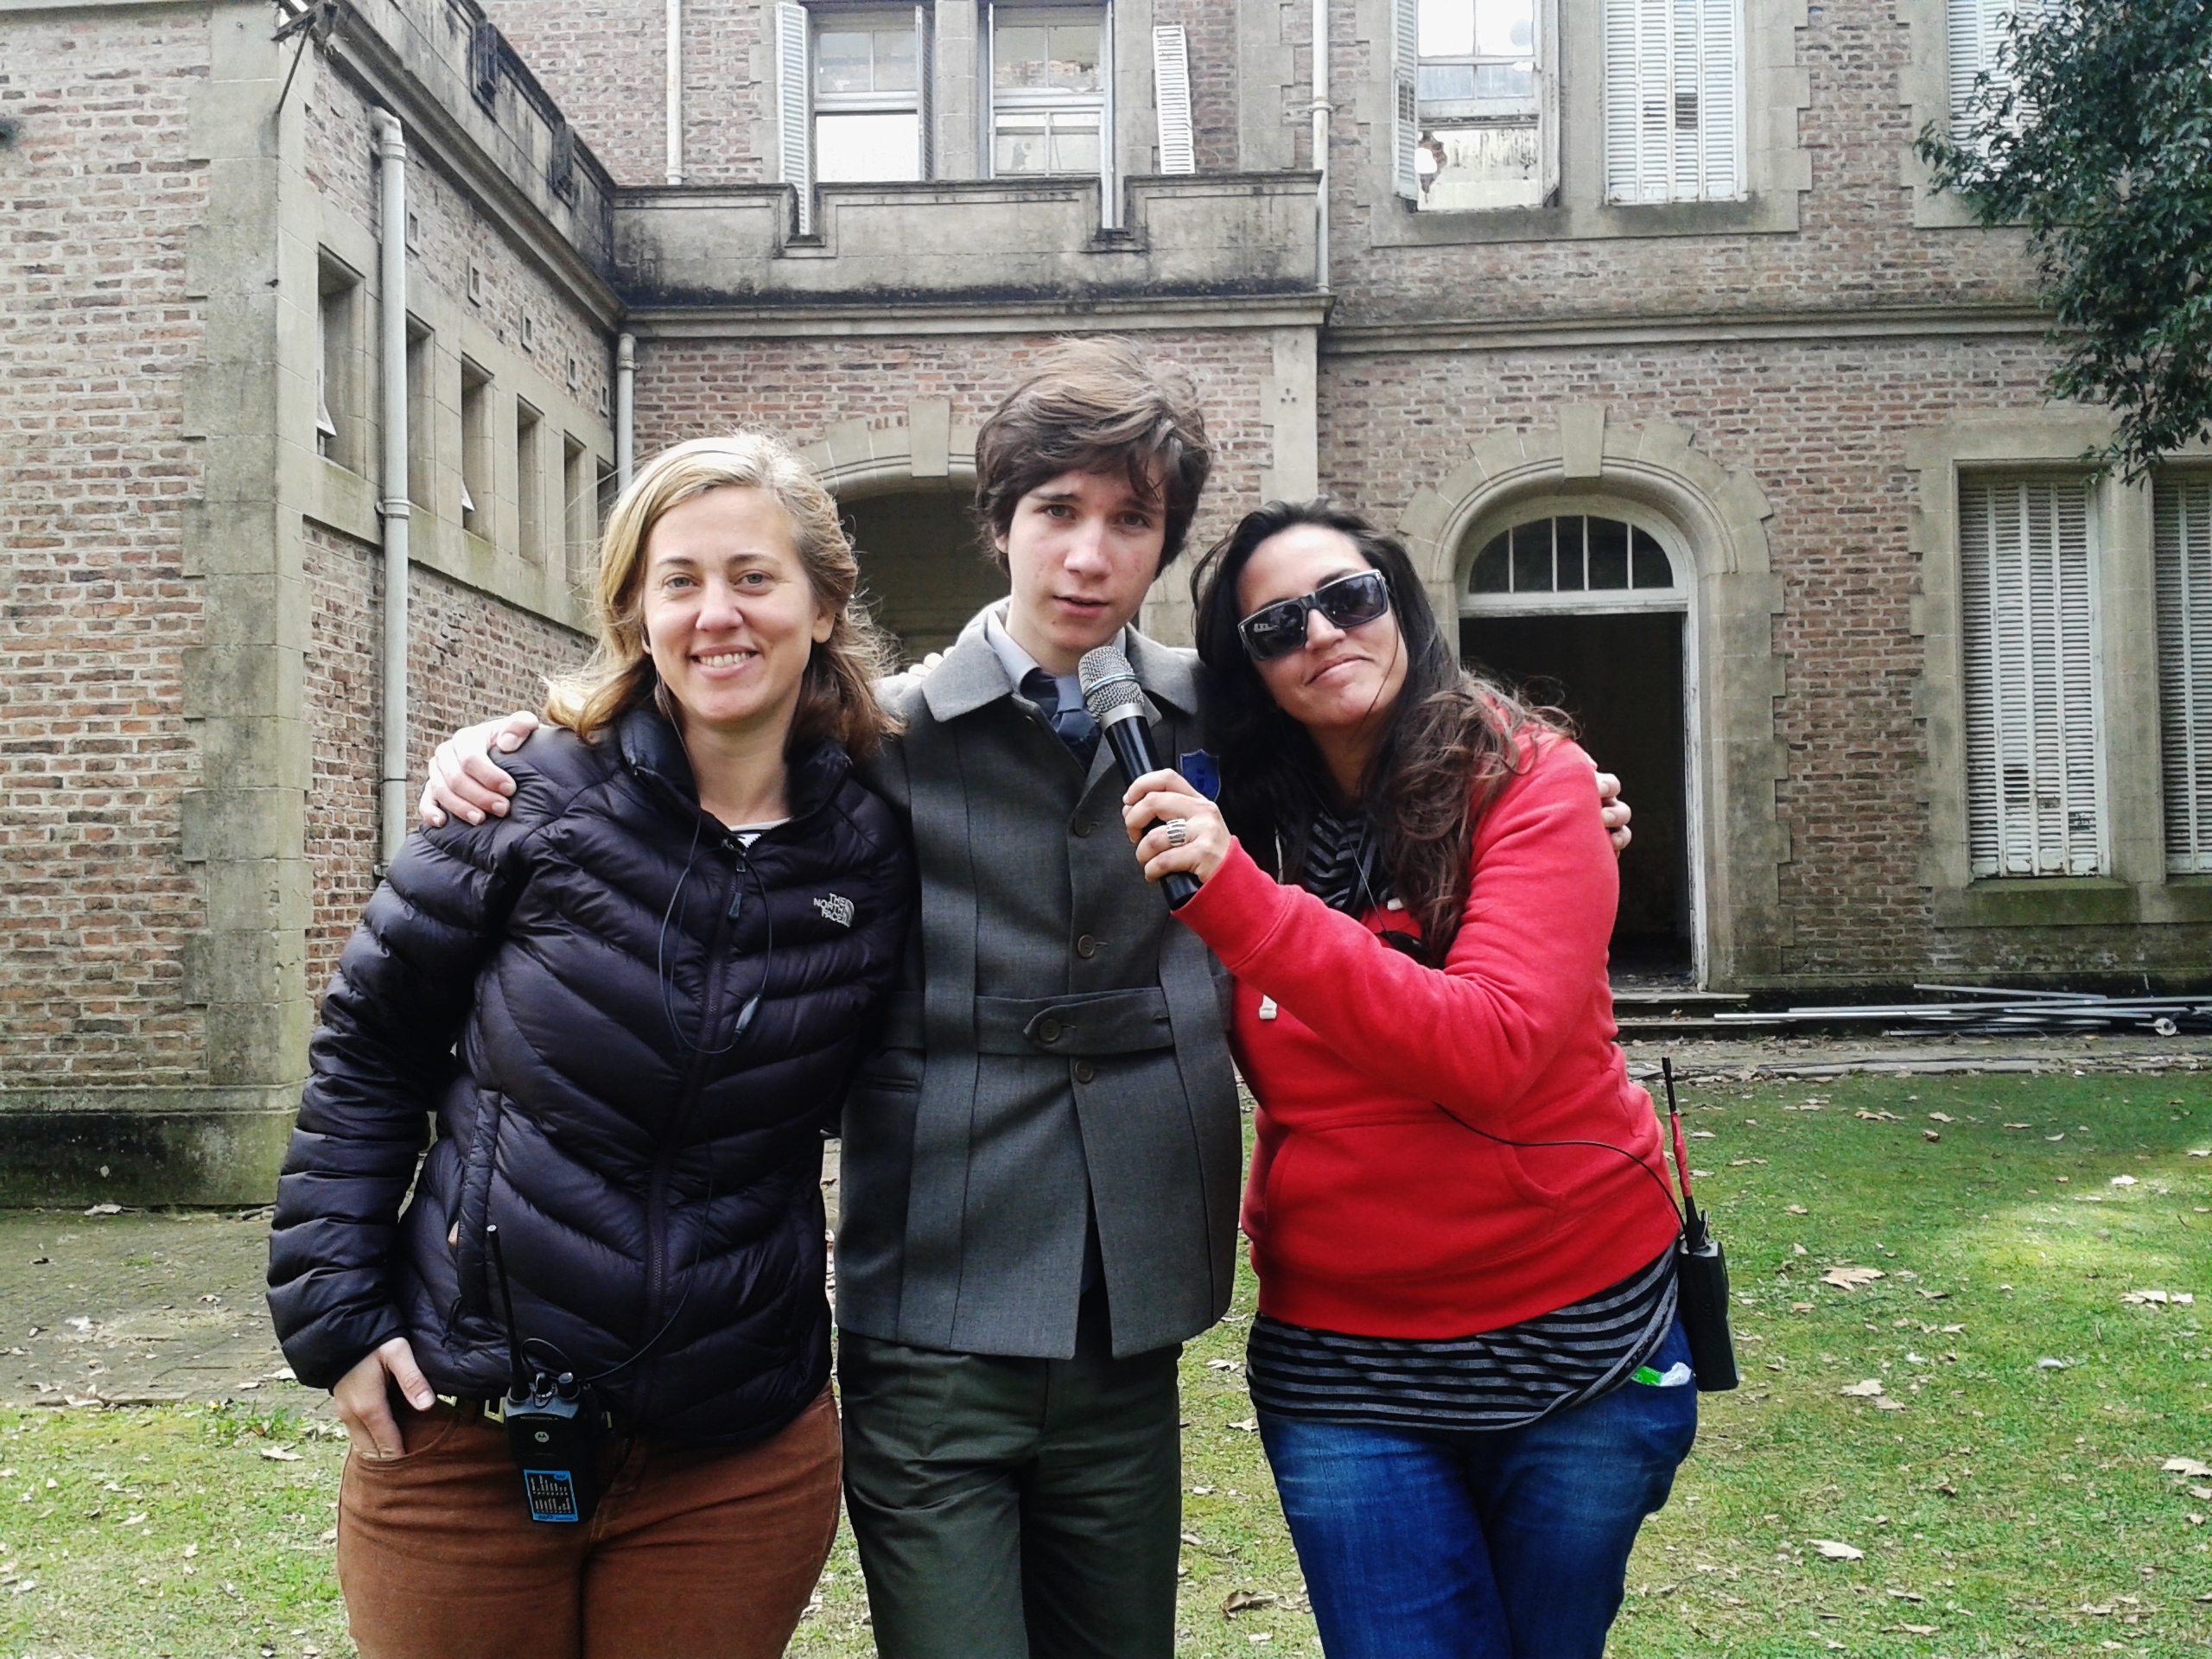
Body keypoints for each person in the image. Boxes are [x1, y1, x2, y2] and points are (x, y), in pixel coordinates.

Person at [416, 344, 1634, 1658]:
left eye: (1131, 521)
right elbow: (700, 722)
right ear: (999, 521)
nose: (1090, 557)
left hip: (1132, 1304)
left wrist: (1565, 790)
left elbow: (1395, 726)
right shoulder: (874, 735)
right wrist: (515, 743)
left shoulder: (1220, 718)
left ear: (1165, 543)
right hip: (939, 1281)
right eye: (1057, 512)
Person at [266, 431, 914, 1659]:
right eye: (679, 581)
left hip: (734, 1450)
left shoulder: (877, 844)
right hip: (467, 1423)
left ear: (825, 604)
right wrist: (336, 1319)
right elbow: (368, 1050)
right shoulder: (522, 800)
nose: (717, 615)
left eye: (754, 577)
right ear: (635, 611)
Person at [1117, 499, 1693, 1659]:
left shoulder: (1531, 781)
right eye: (1277, 627)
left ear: (1400, 604)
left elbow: (1489, 1049)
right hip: (1347, 1370)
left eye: (1348, 597)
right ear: (1251, 669)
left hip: (1580, 1346)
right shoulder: (1242, 816)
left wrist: (1242, 904)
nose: (1322, 634)